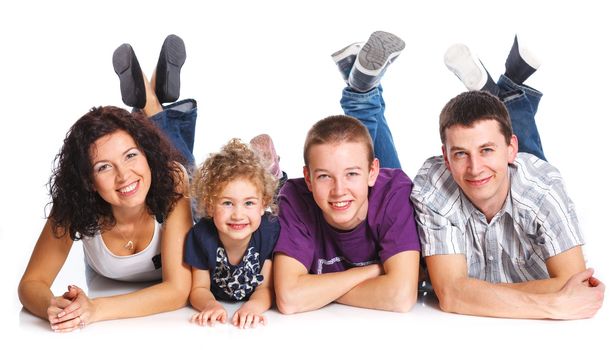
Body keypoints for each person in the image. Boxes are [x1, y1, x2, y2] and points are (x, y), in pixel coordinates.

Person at [410, 35, 605, 319]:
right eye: (461, 154)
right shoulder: (434, 187)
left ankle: (503, 92)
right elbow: (451, 294)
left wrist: (474, 294)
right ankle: (505, 90)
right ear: (446, 156)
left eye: (486, 150)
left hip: (524, 181)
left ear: (512, 148)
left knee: (529, 168)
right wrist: (551, 304)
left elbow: (577, 285)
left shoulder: (541, 189)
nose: (475, 168)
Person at [18, 34, 196, 331]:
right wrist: (52, 305)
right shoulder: (75, 204)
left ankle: (149, 100)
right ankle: (150, 97)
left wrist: (95, 309)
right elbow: (31, 284)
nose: (124, 175)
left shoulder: (173, 180)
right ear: (87, 179)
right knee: (174, 147)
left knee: (184, 163)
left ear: (147, 156)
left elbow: (178, 291)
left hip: (179, 179)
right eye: (103, 167)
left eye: (130, 156)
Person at [273, 31, 421, 314]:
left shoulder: (394, 191)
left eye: (352, 175)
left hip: (385, 187)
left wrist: (318, 288)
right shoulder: (293, 196)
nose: (339, 190)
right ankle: (363, 93)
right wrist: (376, 272)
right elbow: (290, 299)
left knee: (373, 161)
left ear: (371, 172)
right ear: (308, 178)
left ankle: (361, 95)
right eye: (324, 176)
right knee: (357, 151)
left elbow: (400, 297)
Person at [185, 138, 280, 328]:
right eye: (227, 203)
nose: (238, 215)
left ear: (263, 205)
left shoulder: (269, 231)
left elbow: (266, 288)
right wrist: (210, 305)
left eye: (249, 203)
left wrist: (252, 307)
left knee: (280, 191)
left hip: (268, 211)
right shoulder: (201, 235)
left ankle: (273, 167)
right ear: (211, 206)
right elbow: (199, 288)